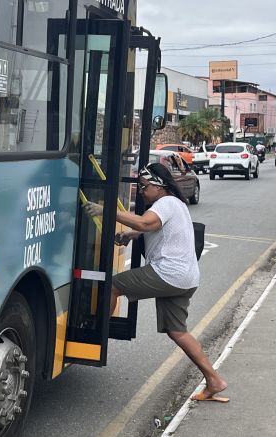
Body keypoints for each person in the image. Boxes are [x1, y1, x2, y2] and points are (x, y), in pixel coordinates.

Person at [84, 163, 229, 403]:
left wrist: (105, 210)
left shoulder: (166, 203)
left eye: (144, 187)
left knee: (111, 286)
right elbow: (155, 229)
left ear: (159, 186)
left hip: (168, 273)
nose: (141, 191)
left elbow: (145, 223)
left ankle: (97, 334)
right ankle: (214, 380)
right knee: (177, 332)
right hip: (186, 277)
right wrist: (131, 235)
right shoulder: (178, 204)